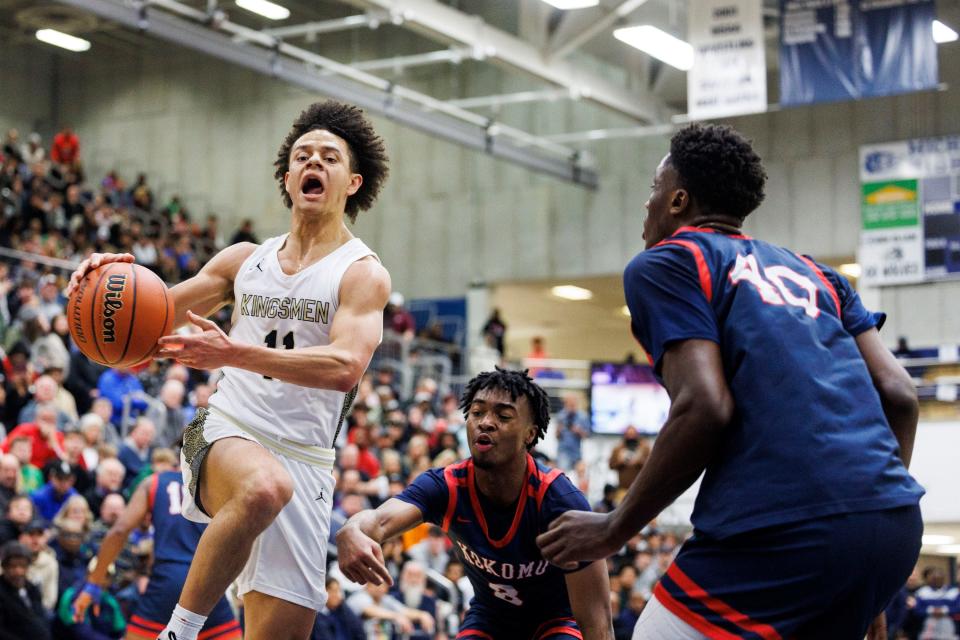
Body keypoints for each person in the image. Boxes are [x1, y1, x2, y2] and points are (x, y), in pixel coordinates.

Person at [537, 123, 925, 639]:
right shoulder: (819, 274)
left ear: (677, 200)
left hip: (783, 525)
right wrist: (862, 546)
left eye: (653, 190)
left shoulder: (669, 261)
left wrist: (615, 526)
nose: (646, 205)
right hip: (892, 523)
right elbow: (900, 397)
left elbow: (705, 406)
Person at [67, 99, 391, 640]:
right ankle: (180, 632)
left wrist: (232, 352)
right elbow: (152, 318)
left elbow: (343, 367)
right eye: (302, 156)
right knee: (264, 486)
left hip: (308, 461)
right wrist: (100, 286)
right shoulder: (244, 260)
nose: (313, 163)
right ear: (288, 177)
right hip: (229, 430)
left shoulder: (361, 274)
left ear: (352, 182)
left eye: (329, 158)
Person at [337, 368, 614, 640]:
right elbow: (377, 520)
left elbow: (597, 623)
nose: (486, 422)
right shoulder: (445, 486)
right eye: (477, 412)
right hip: (491, 618)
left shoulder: (560, 501)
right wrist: (352, 528)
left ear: (530, 434)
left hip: (556, 621)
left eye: (503, 415)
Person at [72, 468, 241, 639]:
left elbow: (119, 531)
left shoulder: (154, 483)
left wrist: (93, 584)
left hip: (168, 580)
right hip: (207, 580)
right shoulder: (215, 482)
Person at [0, 540, 52, 640]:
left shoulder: (32, 588)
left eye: (22, 566)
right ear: (4, 567)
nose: (18, 572)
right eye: (13, 566)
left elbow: (41, 618)